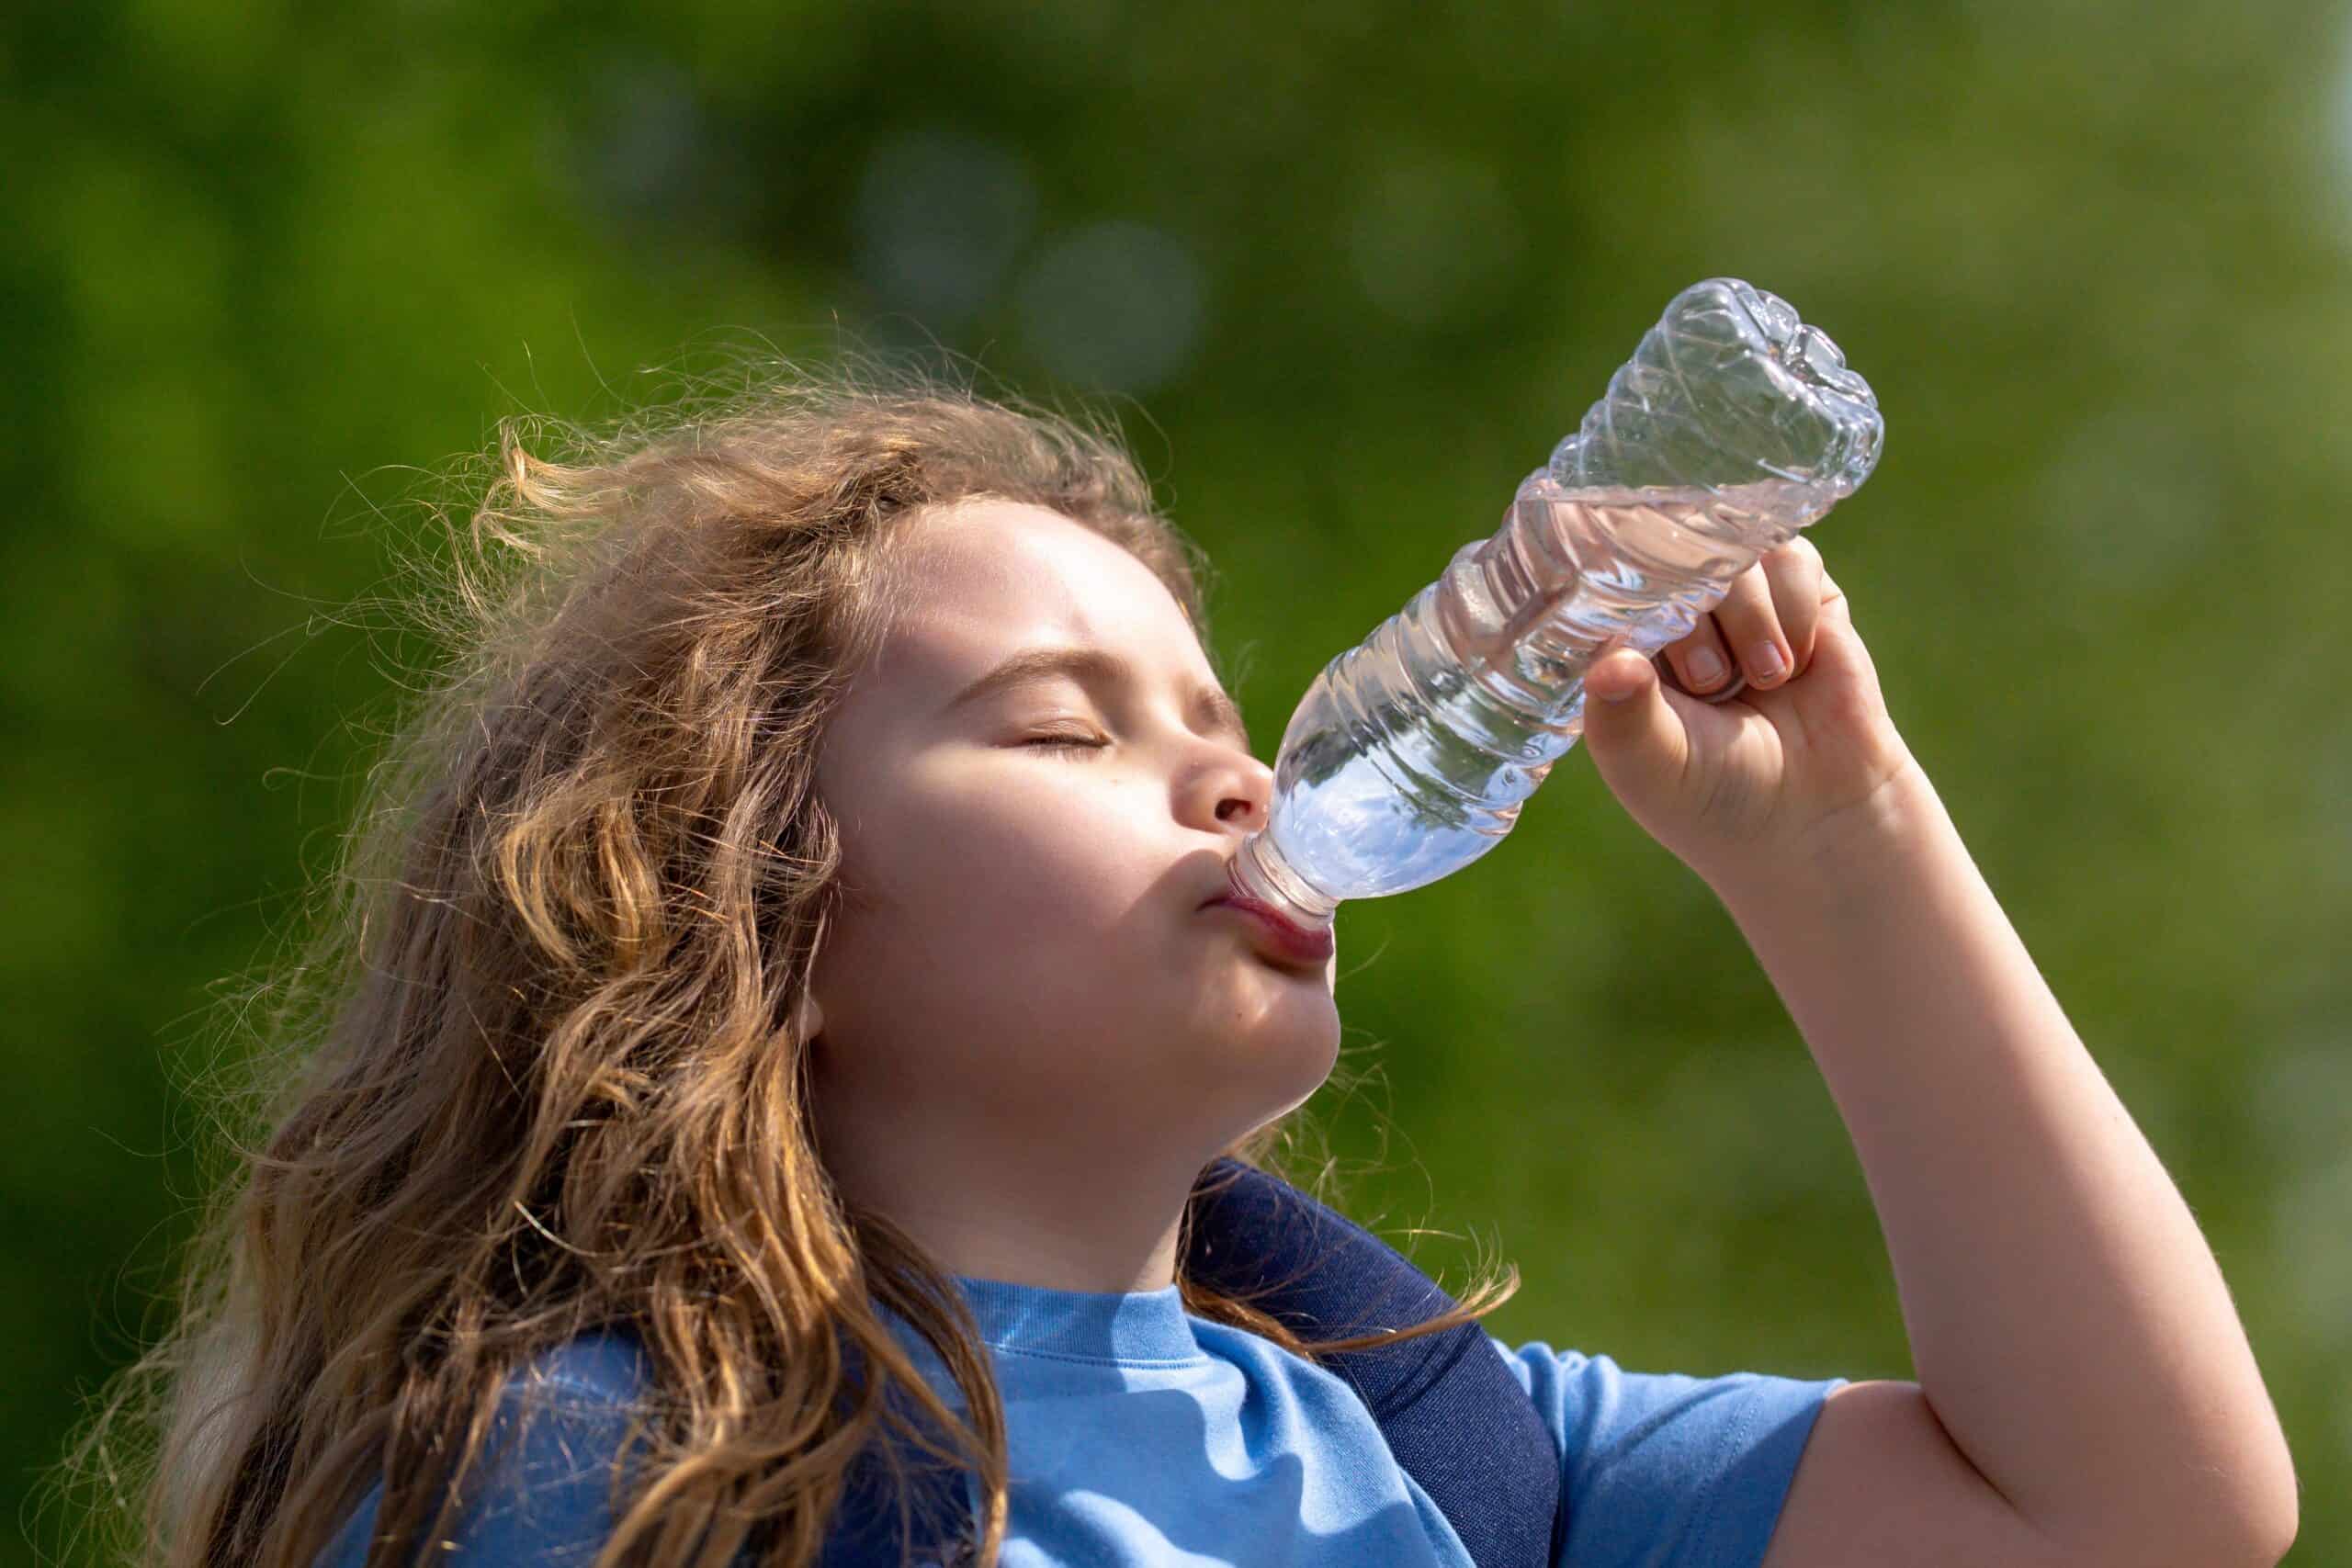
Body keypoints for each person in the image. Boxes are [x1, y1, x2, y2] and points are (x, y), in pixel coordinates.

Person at [71, 363, 2295, 1568]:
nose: (1234, 785)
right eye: (1064, 726)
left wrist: (1841, 851)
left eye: (1230, 732)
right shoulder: (606, 1472)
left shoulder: (1458, 1451)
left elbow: (2143, 1510)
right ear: (754, 899)